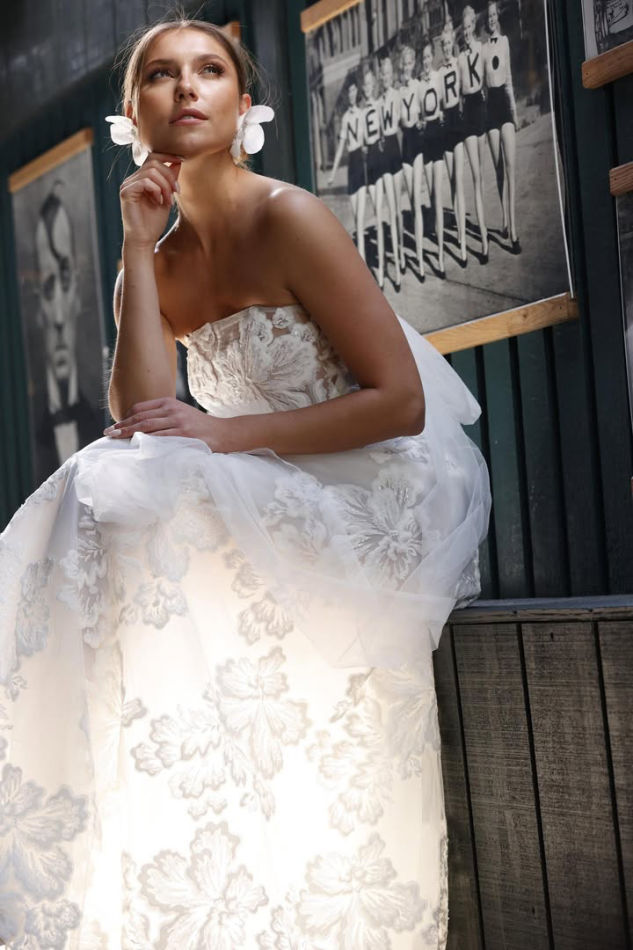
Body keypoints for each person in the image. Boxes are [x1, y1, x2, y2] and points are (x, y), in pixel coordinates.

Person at [0, 14, 492, 948]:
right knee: (108, 478)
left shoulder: (288, 215)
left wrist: (224, 437)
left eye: (210, 70)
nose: (186, 87)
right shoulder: (154, 261)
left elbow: (398, 404)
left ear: (244, 104)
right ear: (132, 117)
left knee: (120, 484)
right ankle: (130, 788)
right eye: (160, 75)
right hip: (257, 484)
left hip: (371, 488)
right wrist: (135, 249)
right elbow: (143, 416)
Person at [32, 181, 103, 482]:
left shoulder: (99, 407)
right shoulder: (35, 429)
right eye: (49, 288)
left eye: (64, 282)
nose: (59, 319)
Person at [483, 0, 521, 253]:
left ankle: (514, 231)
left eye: (494, 15)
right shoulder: (483, 49)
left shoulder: (505, 42)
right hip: (490, 109)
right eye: (488, 16)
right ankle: (505, 218)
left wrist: (515, 113)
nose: (491, 19)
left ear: (498, 17)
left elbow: (508, 80)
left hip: (505, 105)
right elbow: (482, 84)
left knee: (510, 168)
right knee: (498, 169)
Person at [458, 5, 489, 263]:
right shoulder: (459, 58)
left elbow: (487, 78)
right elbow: (459, 90)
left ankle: (488, 228)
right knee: (476, 175)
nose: (467, 31)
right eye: (464, 28)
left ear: (474, 27)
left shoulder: (481, 48)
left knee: (484, 175)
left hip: (481, 107)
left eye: (469, 27)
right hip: (468, 111)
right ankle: (484, 241)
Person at [327, 77, 367, 261]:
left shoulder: (363, 114)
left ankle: (362, 259)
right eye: (349, 91)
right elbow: (340, 149)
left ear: (357, 92)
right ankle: (361, 260)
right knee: (356, 218)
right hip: (352, 165)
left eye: (353, 90)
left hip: (362, 164)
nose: (351, 94)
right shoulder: (345, 119)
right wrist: (333, 173)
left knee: (361, 219)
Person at [438, 26, 468, 268]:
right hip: (445, 126)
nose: (447, 48)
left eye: (449, 44)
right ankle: (458, 228)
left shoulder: (459, 64)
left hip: (458, 122)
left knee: (459, 179)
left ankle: (463, 241)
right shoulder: (439, 73)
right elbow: (437, 101)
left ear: (453, 44)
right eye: (444, 45)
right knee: (452, 182)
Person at [418, 41, 447, 278]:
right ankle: (435, 234)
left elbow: (445, 103)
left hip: (438, 135)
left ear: (432, 57)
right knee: (431, 194)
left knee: (438, 194)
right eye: (424, 58)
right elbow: (418, 113)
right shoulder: (419, 85)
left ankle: (440, 256)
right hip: (425, 138)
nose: (427, 61)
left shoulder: (438, 77)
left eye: (429, 57)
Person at [398, 44, 427, 280]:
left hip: (417, 144)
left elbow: (426, 111)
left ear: (413, 64)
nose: (407, 67)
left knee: (417, 200)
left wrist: (423, 122)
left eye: (410, 63)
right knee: (410, 199)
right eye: (404, 64)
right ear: (401, 67)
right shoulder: (398, 92)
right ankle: (414, 252)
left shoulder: (418, 86)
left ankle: (419, 258)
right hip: (405, 146)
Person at [377, 52, 404, 289]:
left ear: (391, 74)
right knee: (389, 208)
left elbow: (404, 122)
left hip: (397, 150)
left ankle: (400, 253)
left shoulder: (397, 95)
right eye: (382, 74)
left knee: (397, 209)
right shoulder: (378, 102)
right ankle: (394, 264)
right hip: (384, 154)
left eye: (387, 73)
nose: (385, 77)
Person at [360, 65, 388, 289]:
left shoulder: (380, 105)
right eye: (365, 85)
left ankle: (382, 268)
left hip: (380, 160)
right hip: (367, 163)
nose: (368, 88)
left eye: (371, 84)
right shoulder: (360, 113)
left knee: (379, 214)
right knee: (370, 212)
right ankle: (369, 274)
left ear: (374, 85)